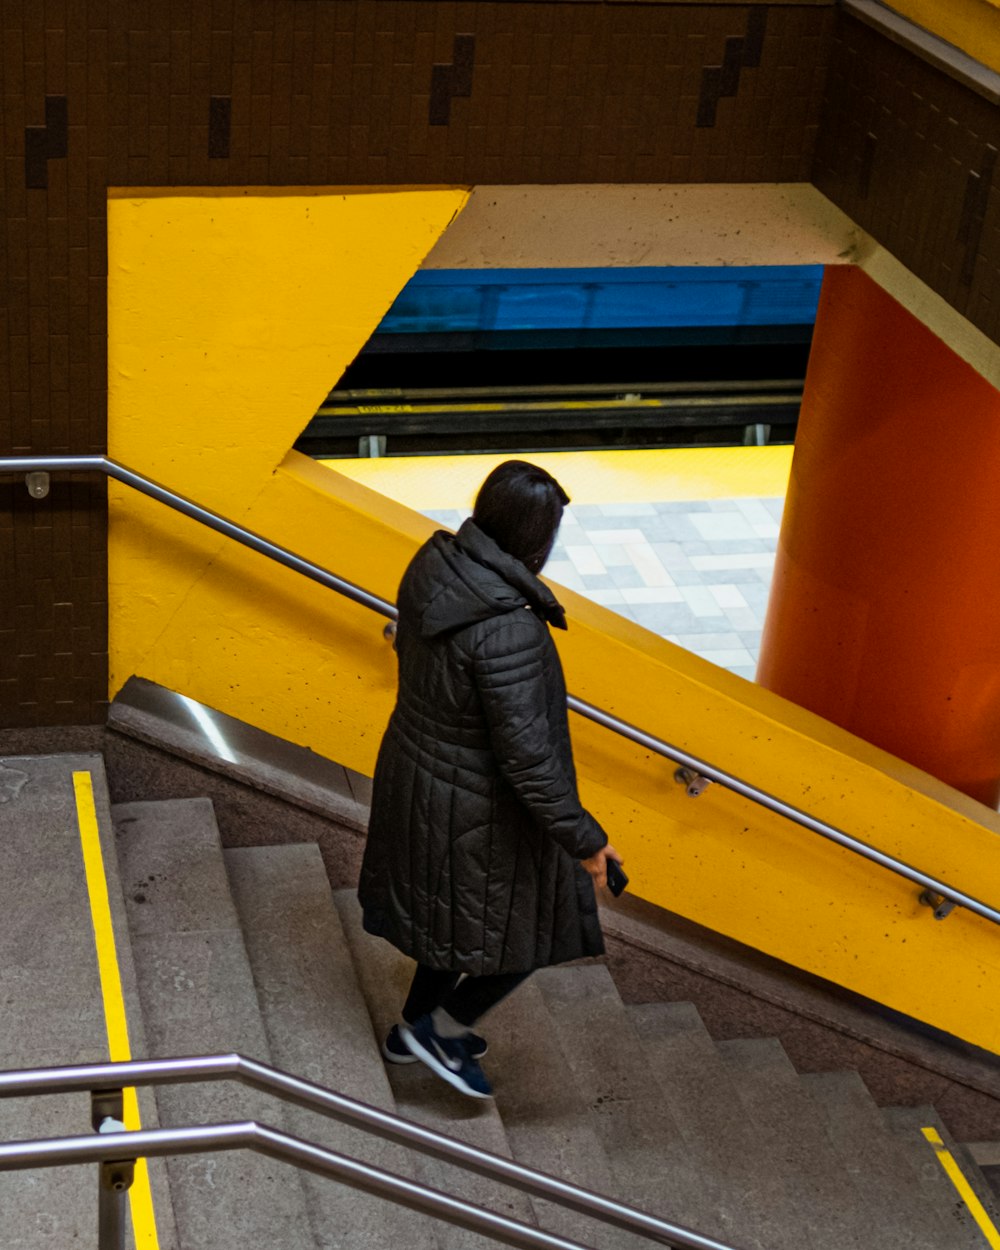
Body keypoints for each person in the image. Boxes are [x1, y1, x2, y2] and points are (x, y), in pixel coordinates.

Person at [358, 460, 622, 1099]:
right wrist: (586, 841)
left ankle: (408, 1033)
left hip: (418, 775)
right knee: (545, 919)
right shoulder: (511, 629)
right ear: (537, 540)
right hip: (476, 802)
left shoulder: (435, 568)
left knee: (452, 914)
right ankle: (443, 1032)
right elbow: (531, 761)